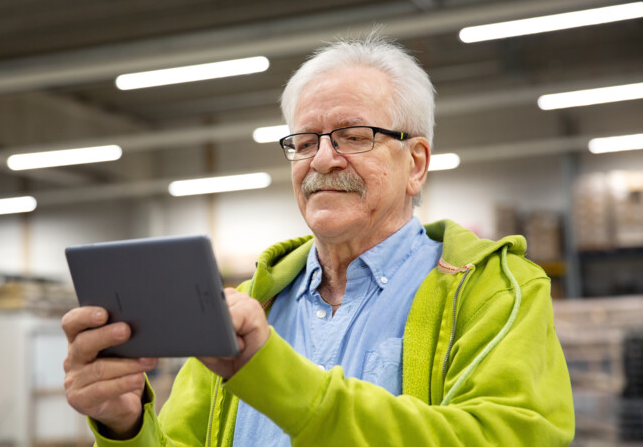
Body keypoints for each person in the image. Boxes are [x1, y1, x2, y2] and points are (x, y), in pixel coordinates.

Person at [62, 34, 575, 446]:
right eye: (305, 142)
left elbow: (511, 437)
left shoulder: (497, 291)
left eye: (355, 136)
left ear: (415, 163)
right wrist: (125, 426)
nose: (322, 160)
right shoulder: (243, 308)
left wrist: (276, 378)